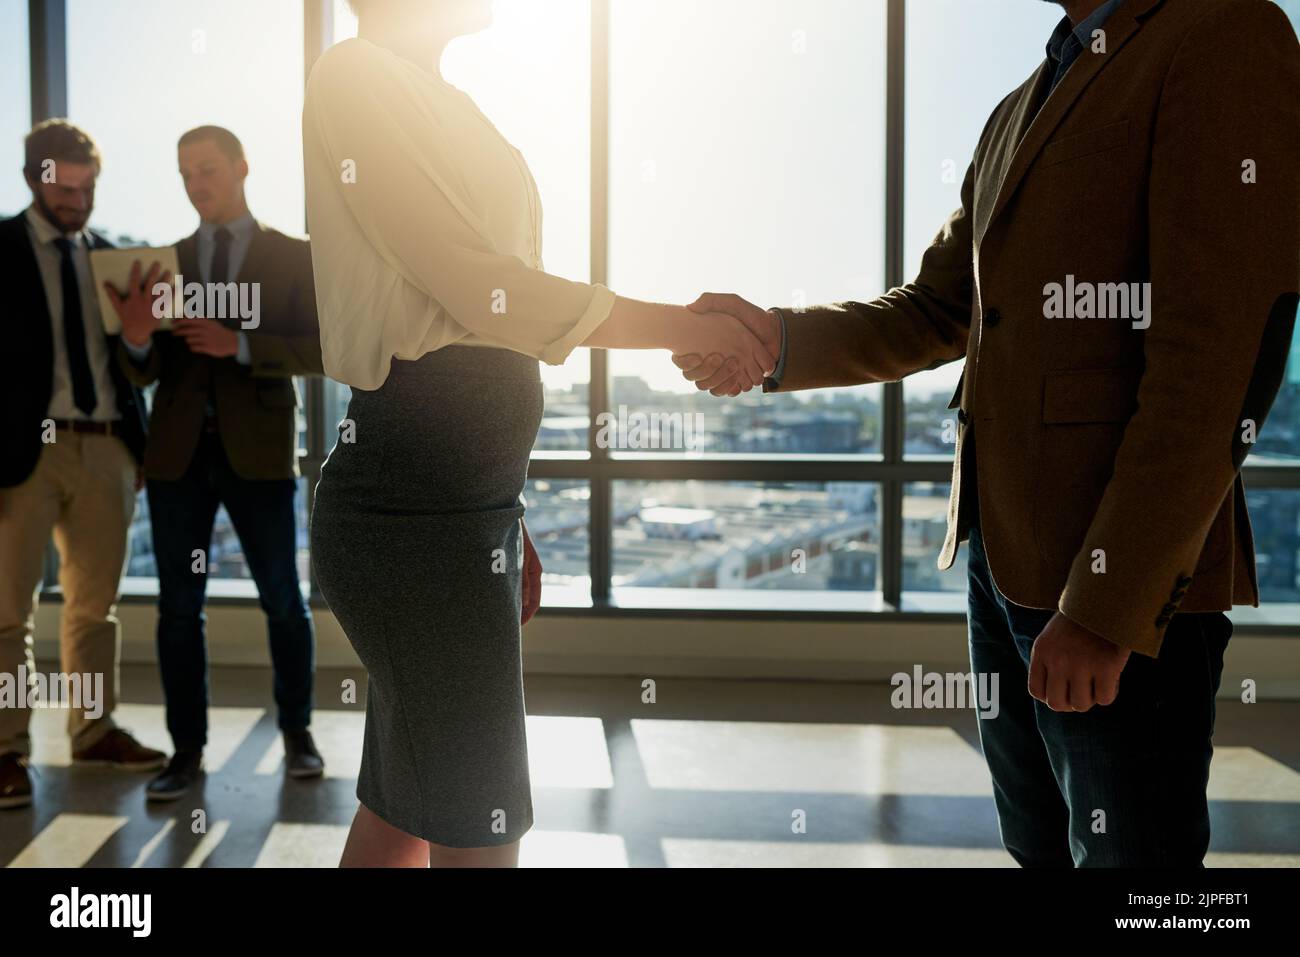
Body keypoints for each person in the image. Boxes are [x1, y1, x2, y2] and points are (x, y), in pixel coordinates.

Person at [674, 0, 1300, 866]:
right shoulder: (1017, 106)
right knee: (1038, 845)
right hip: (1002, 559)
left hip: (1116, 577)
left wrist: (1106, 609)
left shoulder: (1223, 31)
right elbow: (939, 309)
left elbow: (1220, 355)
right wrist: (777, 338)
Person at [304, 0, 776, 867]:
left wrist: (504, 512)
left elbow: (495, 319)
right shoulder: (354, 76)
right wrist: (688, 325)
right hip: (409, 507)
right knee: (481, 818)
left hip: (460, 504)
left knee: (408, 804)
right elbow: (483, 289)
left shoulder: (446, 101)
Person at [107, 126, 328, 801]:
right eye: (184, 173)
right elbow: (138, 372)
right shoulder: (161, 261)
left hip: (257, 455)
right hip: (176, 459)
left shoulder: (293, 256)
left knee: (283, 603)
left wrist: (240, 344)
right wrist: (139, 337)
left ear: (241, 168)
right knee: (178, 611)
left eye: (206, 169)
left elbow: (323, 347)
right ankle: (186, 752)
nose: (195, 183)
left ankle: (297, 731)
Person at [0, 120, 167, 810]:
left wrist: (137, 335)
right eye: (65, 188)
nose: (77, 201)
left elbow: (144, 367)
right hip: (20, 451)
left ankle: (92, 729)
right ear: (34, 179)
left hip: (105, 444)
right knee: (6, 611)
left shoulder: (114, 259)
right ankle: (6, 748)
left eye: (87, 187)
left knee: (94, 607)